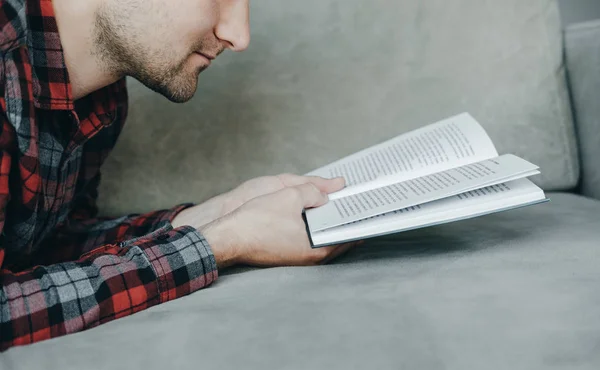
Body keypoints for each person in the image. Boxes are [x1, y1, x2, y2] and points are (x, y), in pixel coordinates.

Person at [0, 0, 358, 351]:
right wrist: (222, 242)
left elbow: (44, 247)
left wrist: (215, 214)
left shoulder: (102, 98)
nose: (239, 36)